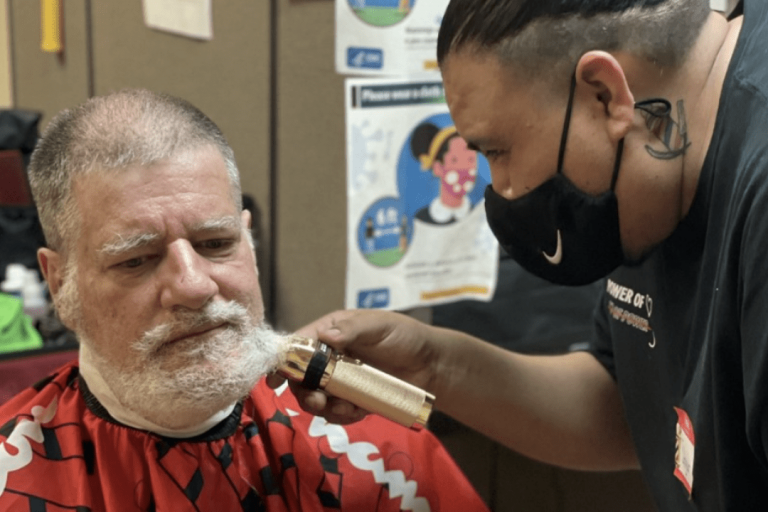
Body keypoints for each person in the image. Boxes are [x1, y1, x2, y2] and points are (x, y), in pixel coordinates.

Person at [281, 1, 768, 510]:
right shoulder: (648, 172)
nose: (502, 189)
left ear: (604, 95)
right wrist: (432, 364)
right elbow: (628, 407)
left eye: (498, 150)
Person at [0, 89, 488, 511]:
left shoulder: (375, 452)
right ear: (59, 281)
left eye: (216, 244)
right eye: (136, 260)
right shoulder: (12, 474)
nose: (194, 286)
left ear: (248, 244)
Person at [410, 122, 478, 226]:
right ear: (438, 168)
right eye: (454, 160)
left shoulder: (478, 213)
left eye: (471, 159)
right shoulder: (422, 219)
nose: (464, 168)